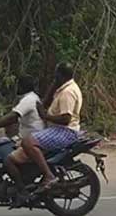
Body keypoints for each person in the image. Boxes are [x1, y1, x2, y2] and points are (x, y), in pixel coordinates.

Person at [13, 63, 83, 197]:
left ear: (61, 75)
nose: (54, 77)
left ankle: (48, 175)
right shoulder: (64, 88)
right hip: (59, 129)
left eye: (56, 75)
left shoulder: (67, 93)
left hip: (65, 131)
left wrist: (45, 116)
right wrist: (53, 85)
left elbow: (66, 118)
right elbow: (44, 103)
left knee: (28, 142)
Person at [0, 75, 44, 188]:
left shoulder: (28, 100)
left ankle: (21, 190)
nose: (16, 88)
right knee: (2, 144)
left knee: (7, 159)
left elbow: (13, 117)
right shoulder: (32, 97)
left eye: (18, 85)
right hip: (28, 138)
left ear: (22, 86)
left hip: (31, 140)